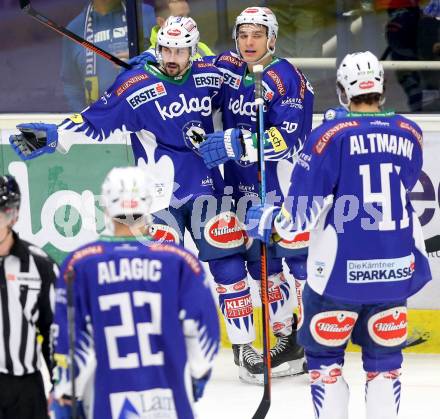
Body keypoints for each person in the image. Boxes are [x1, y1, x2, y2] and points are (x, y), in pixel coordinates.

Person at [10, 15, 249, 377]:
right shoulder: (134, 85)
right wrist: (54, 135)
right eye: (165, 48)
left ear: (193, 50)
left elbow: (243, 84)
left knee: (230, 269)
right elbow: (94, 121)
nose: (171, 56)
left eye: (180, 50)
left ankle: (245, 348)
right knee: (158, 273)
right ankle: (160, 348)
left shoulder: (210, 76)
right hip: (156, 198)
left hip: (207, 189)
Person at [246, 51, 432, 419]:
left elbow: (296, 217)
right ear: (381, 85)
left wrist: (266, 222)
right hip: (394, 274)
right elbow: (403, 181)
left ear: (342, 90)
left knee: (326, 366)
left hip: (338, 279)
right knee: (384, 368)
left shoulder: (328, 136)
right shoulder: (411, 132)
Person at [197, 6, 314, 383]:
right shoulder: (230, 68)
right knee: (266, 268)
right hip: (241, 188)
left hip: (281, 187)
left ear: (272, 39)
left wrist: (238, 143)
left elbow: (289, 138)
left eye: (257, 35)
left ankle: (310, 341)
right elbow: (193, 69)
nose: (249, 42)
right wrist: (153, 62)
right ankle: (287, 340)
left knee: (294, 264)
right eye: (243, 35)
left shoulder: (285, 77)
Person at [50, 166, 219, 419]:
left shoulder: (79, 264)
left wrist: (64, 390)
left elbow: (71, 339)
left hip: (107, 402)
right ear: (149, 204)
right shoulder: (181, 261)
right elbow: (202, 329)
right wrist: (198, 373)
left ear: (106, 207)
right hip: (169, 401)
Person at [0, 175, 57, 419]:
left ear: (14, 215)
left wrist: (61, 384)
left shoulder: (40, 266)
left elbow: (55, 330)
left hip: (23, 392)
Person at [61, 0, 156, 111]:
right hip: (99, 120)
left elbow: (172, 64)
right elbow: (72, 86)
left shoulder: (147, 14)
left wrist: (142, 63)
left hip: (146, 114)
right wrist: (84, 121)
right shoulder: (74, 29)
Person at [149, 0, 214, 58]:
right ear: (161, 22)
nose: (188, 22)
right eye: (180, 17)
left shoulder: (201, 48)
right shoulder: (151, 57)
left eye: (188, 16)